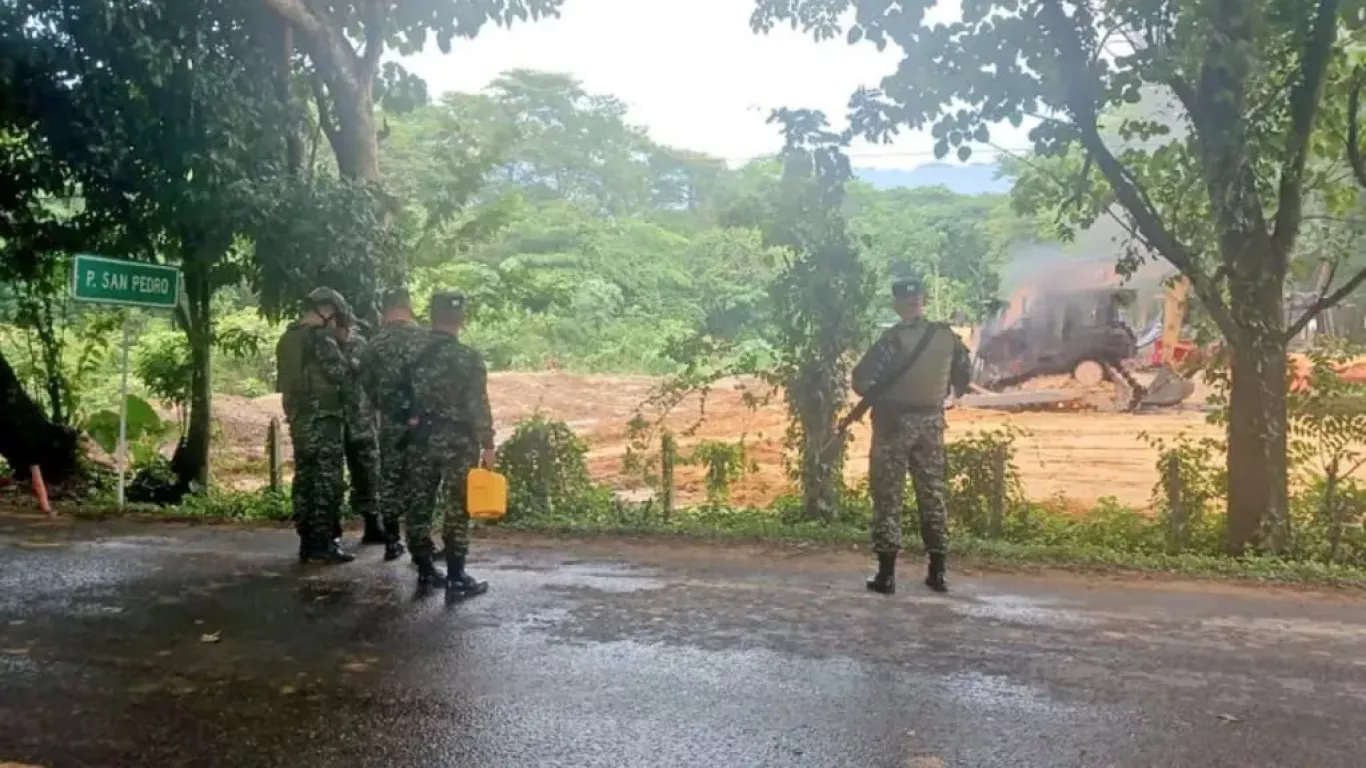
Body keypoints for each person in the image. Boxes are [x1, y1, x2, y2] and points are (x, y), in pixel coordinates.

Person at [852, 277, 971, 594]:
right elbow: (964, 375)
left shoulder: (892, 340)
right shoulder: (947, 337)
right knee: (932, 495)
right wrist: (941, 396)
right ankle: (938, 572)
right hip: (931, 424)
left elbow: (861, 380)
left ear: (896, 305)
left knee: (888, 496)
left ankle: (887, 575)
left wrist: (882, 394)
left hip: (893, 424)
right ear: (922, 301)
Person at [404, 290, 495, 597]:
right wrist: (488, 444)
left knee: (419, 503)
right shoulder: (468, 358)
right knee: (457, 506)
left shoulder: (411, 355)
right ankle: (456, 577)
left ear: (432, 316)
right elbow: (477, 405)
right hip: (458, 441)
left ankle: (425, 570)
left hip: (420, 439)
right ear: (461, 319)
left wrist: (406, 421)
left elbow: (390, 395)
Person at [275, 287, 356, 565]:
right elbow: (341, 375)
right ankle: (324, 542)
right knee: (328, 480)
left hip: (300, 419)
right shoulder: (322, 339)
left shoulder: (288, 338)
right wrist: (346, 346)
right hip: (325, 419)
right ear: (328, 311)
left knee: (305, 478)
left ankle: (307, 540)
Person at [358, 287, 433, 562]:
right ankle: (422, 544)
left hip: (390, 422)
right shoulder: (426, 339)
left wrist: (382, 402)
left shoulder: (374, 345)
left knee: (390, 479)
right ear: (408, 306)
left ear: (383, 309)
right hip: (423, 422)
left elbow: (365, 381)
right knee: (421, 480)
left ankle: (392, 541)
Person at [339, 318, 384, 547]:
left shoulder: (363, 345)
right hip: (334, 419)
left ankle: (372, 524)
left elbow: (371, 379)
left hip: (360, 417)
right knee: (332, 476)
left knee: (368, 472)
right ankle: (329, 531)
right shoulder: (323, 342)